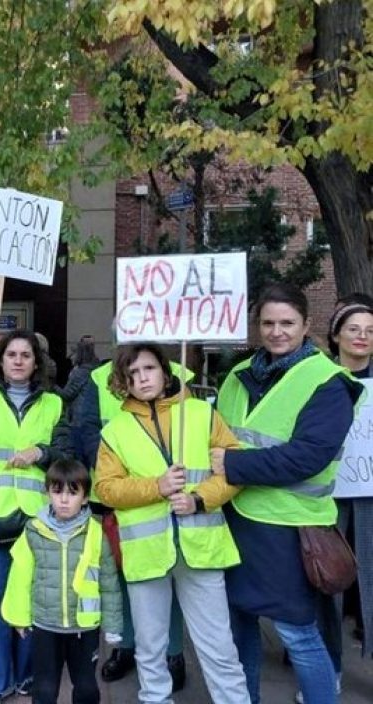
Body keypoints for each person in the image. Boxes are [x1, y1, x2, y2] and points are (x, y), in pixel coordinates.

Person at [214, 283, 364, 704]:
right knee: (238, 624)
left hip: (290, 528)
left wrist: (232, 465)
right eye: (268, 323)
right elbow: (215, 434)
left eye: (287, 323)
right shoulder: (237, 377)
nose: (277, 332)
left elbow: (306, 458)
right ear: (256, 326)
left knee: (298, 634)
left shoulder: (329, 382)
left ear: (306, 325)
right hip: (237, 521)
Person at [94, 343, 250, 703]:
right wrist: (157, 487)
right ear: (123, 382)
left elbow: (236, 466)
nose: (141, 378)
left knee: (219, 648)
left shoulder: (200, 413)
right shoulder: (115, 430)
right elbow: (105, 489)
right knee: (150, 650)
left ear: (166, 373)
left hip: (202, 548)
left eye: (148, 369)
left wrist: (199, 499)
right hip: (147, 553)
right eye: (131, 374)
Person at [0, 330, 73, 702]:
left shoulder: (54, 404)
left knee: (34, 601)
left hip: (38, 518)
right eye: (12, 354)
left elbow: (68, 455)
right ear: (1, 361)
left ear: (36, 362)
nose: (19, 360)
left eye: (26, 354)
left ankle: (31, 675)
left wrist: (40, 452)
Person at [73, 351, 191, 689]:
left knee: (170, 575)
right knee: (123, 577)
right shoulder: (98, 378)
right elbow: (88, 430)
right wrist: (124, 464)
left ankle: (173, 652)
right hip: (119, 494)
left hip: (174, 495)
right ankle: (125, 647)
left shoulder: (178, 368)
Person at [2, 459, 123, 704]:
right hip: (46, 626)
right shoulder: (34, 530)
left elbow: (109, 582)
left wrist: (113, 625)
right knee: (44, 689)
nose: (64, 500)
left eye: (72, 492)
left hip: (84, 628)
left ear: (86, 498)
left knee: (87, 689)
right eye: (57, 492)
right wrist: (18, 617)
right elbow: (20, 575)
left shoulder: (95, 534)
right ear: (48, 494)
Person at [303, 301, 373, 704]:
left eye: (369, 329)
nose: (361, 335)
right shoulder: (317, 379)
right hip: (325, 496)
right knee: (324, 580)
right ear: (335, 335)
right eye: (353, 328)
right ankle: (328, 669)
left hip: (370, 494)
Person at [54, 335, 99, 423]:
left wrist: (52, 385)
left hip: (79, 417)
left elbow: (67, 395)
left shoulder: (80, 372)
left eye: (73, 353)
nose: (69, 356)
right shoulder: (95, 369)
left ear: (79, 354)